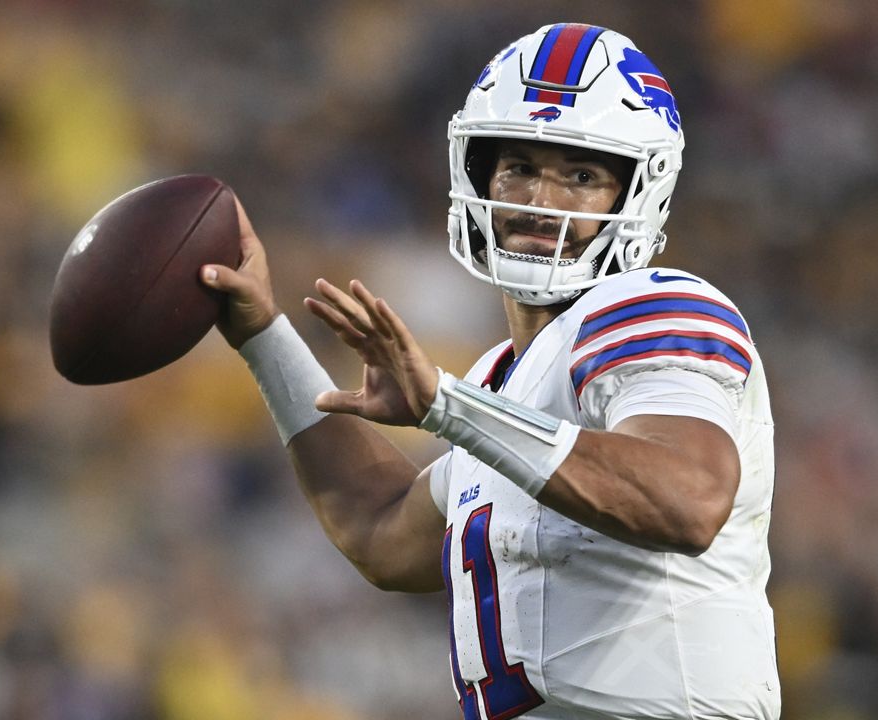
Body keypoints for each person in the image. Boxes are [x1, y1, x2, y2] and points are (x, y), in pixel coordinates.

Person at [201, 23, 779, 720]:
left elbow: (688, 499)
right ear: (477, 174)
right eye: (521, 168)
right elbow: (381, 532)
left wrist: (447, 407)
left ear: (638, 190)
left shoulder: (653, 306)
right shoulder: (501, 382)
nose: (542, 198)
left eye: (582, 175)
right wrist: (263, 335)